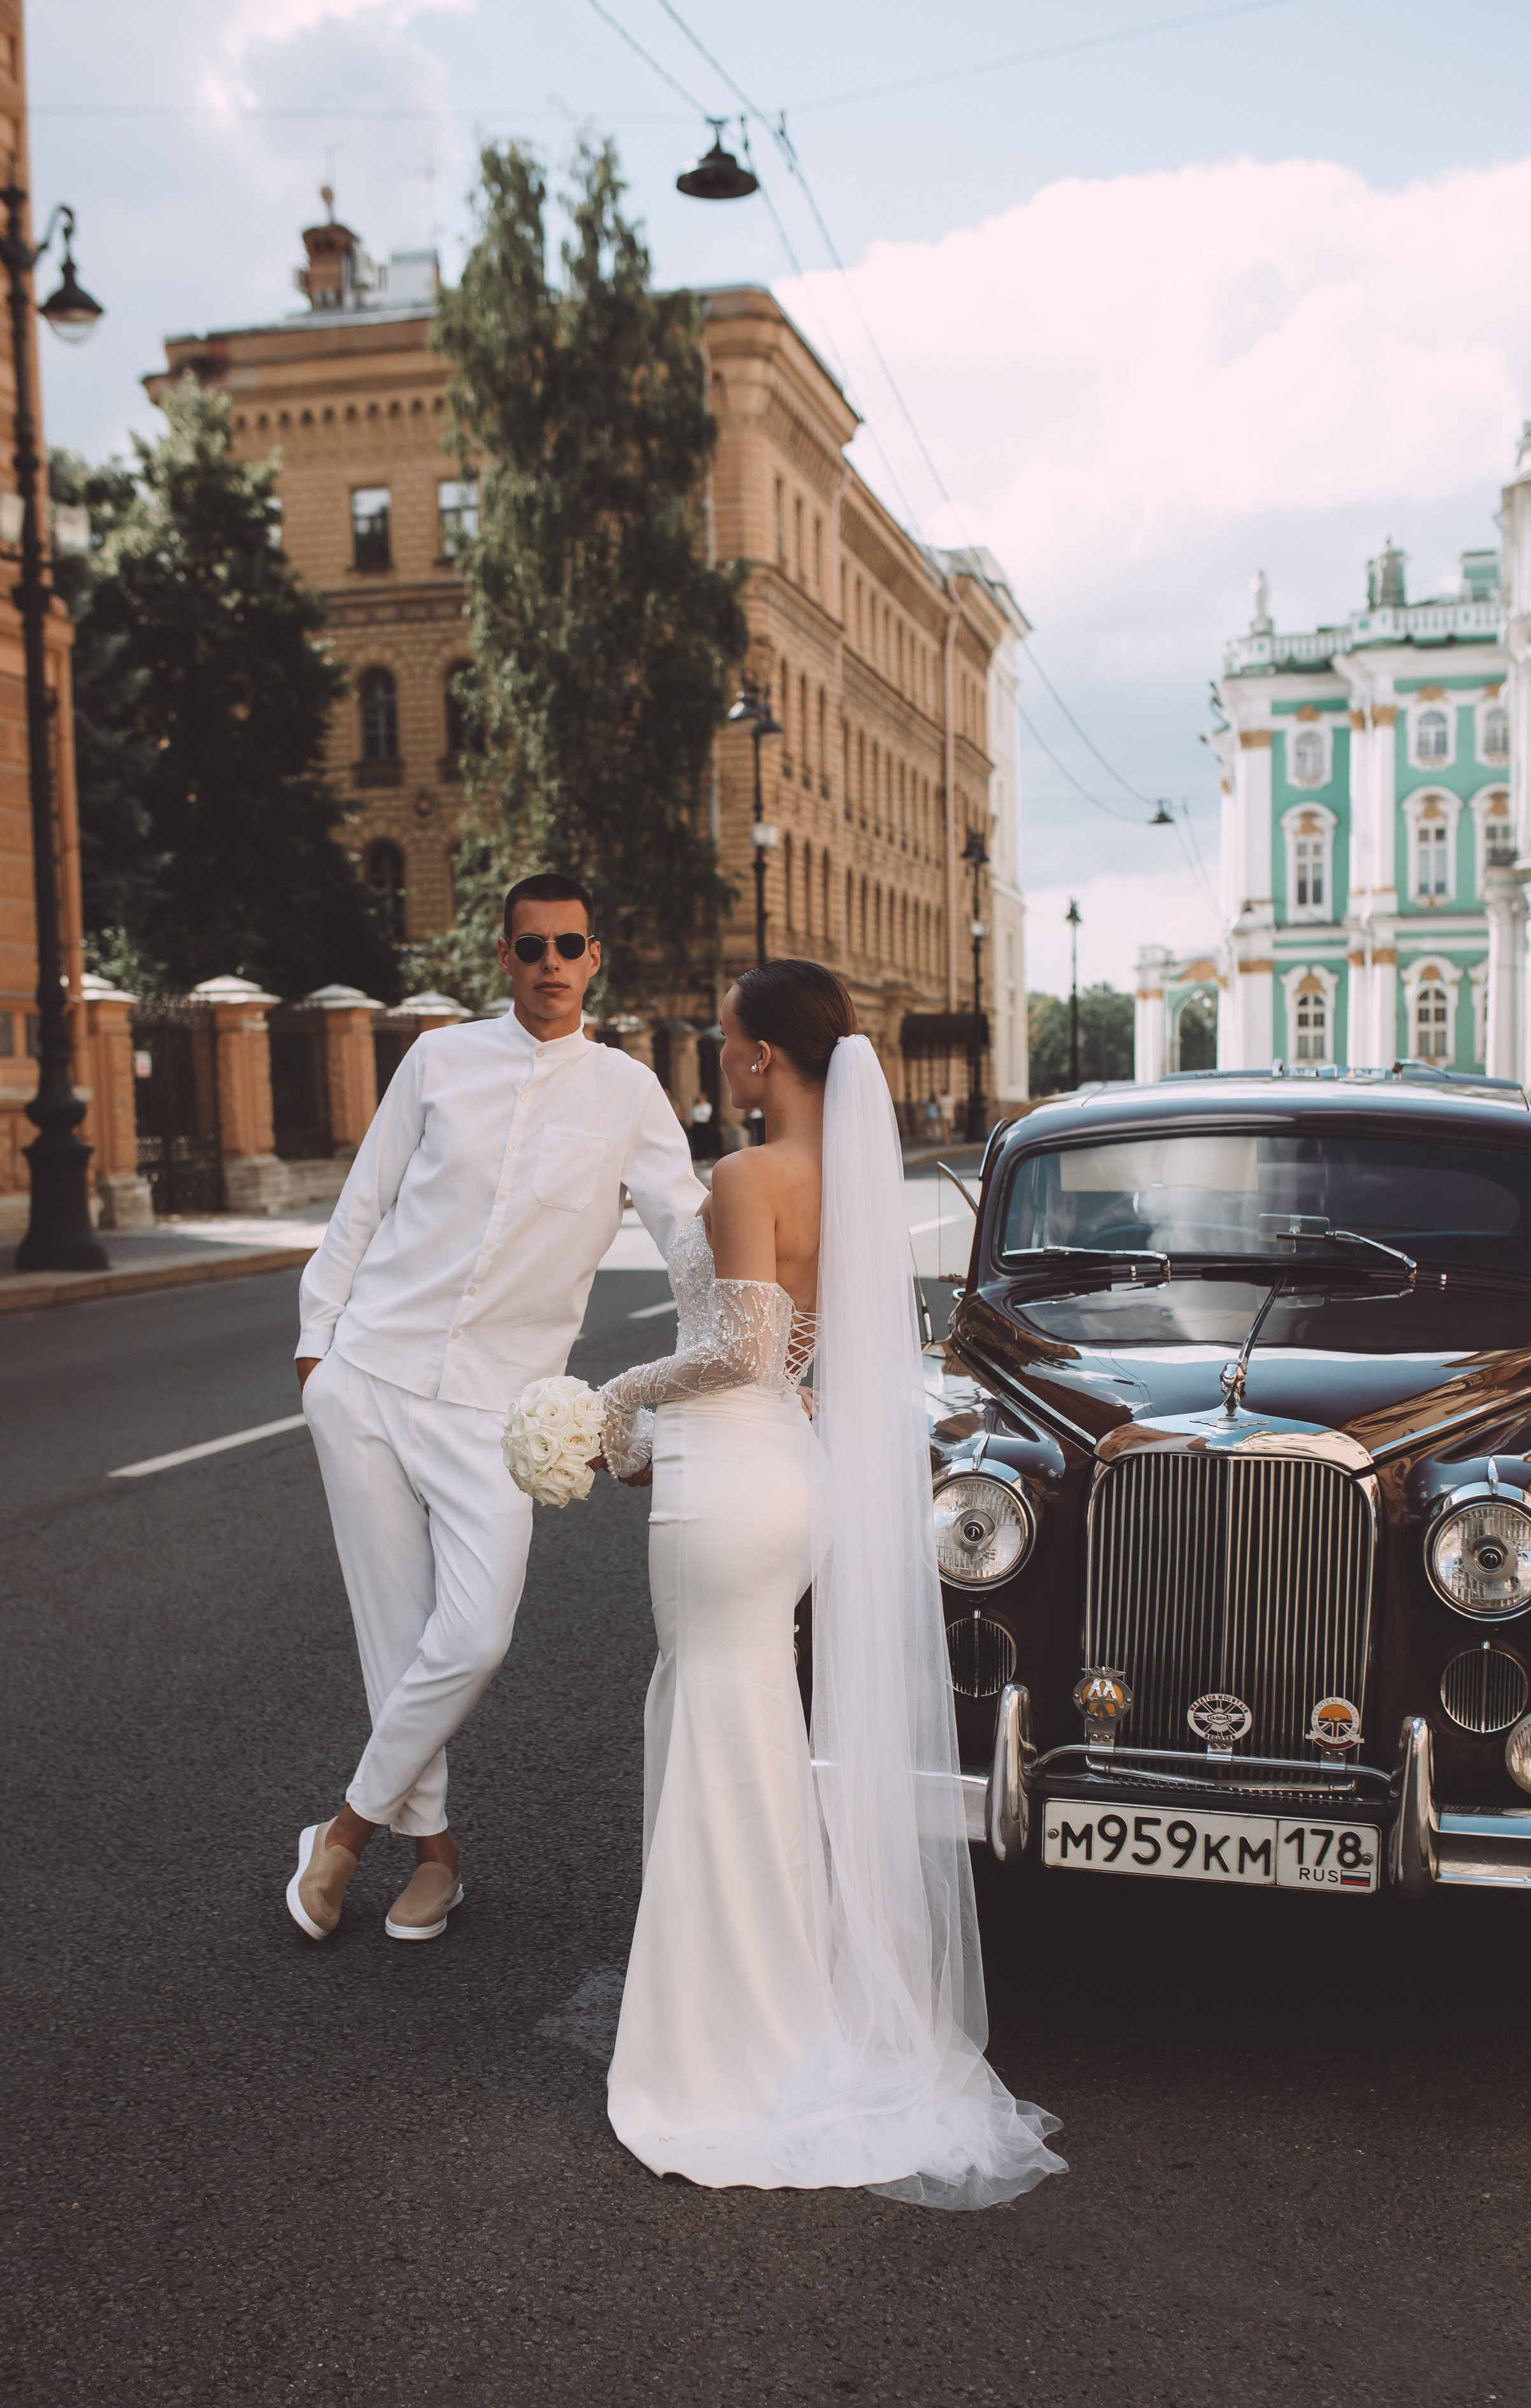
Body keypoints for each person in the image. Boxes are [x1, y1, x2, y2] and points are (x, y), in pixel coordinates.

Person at [595, 959, 1064, 2208]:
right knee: (746, 1730)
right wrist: (659, 1440)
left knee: (712, 1732)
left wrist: (613, 1400)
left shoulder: (751, 1176)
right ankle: (778, 2010)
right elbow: (798, 1361)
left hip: (731, 1484)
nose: (717, 1050)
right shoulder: (849, 1190)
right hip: (774, 1475)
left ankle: (724, 2049)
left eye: (723, 1035)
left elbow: (741, 1348)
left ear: (756, 1057)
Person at [286, 873, 703, 1944]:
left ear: (594, 957)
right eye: (531, 947)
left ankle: (342, 1833)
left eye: (570, 944)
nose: (551, 963)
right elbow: (364, 1201)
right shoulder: (438, 1060)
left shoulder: (628, 1094)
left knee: (470, 1634)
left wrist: (769, 1325)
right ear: (505, 959)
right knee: (395, 1631)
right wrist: (315, 1347)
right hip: (370, 1379)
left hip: (496, 1414)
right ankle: (434, 1857)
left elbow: (692, 1242)